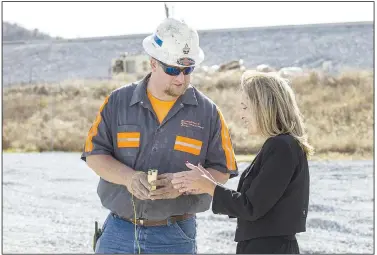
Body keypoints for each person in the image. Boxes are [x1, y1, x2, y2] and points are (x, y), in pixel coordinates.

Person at [81, 17, 238, 254]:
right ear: (153, 63)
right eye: (173, 69)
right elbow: (95, 154)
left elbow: (222, 171)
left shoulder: (209, 113)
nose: (181, 78)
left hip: (175, 235)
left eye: (188, 70)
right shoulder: (117, 102)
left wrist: (183, 186)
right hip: (119, 232)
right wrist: (129, 178)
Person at [172, 71, 314, 254]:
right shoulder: (281, 145)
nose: (241, 115)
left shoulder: (281, 147)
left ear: (264, 106)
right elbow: (255, 203)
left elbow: (251, 207)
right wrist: (208, 184)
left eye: (245, 107)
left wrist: (210, 187)